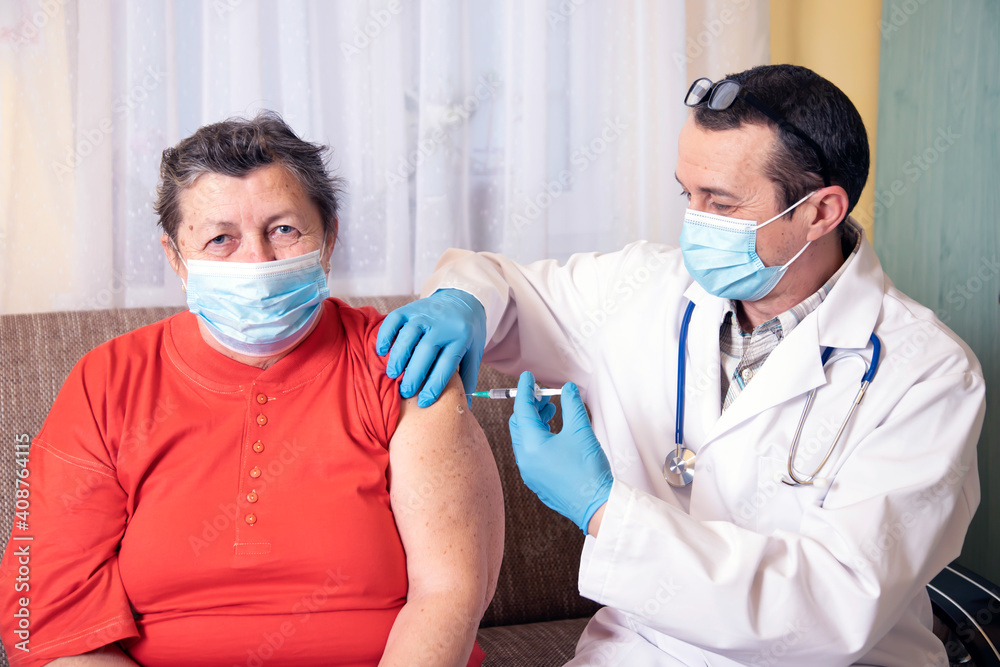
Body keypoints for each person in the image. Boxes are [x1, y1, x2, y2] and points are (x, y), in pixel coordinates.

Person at [375, 65, 985, 666]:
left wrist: (601, 508)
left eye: (719, 202)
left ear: (821, 212)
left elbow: (834, 607)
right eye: (686, 194)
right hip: (640, 653)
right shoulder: (646, 287)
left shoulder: (927, 375)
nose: (693, 222)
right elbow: (503, 286)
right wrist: (461, 301)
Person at [0, 112, 503, 667]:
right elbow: (50, 613)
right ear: (176, 259)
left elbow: (448, 594)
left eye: (284, 229)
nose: (257, 261)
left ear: (329, 238)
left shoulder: (402, 363)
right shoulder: (107, 381)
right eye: (221, 239)